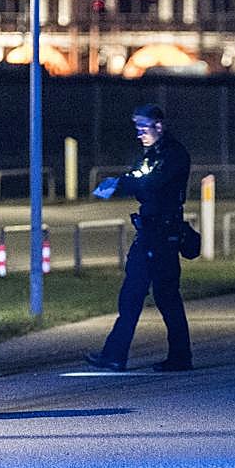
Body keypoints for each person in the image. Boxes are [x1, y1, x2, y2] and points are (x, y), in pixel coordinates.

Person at [86, 103, 193, 372]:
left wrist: (119, 186)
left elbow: (150, 183)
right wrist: (118, 182)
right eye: (137, 128)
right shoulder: (151, 154)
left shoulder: (173, 154)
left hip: (163, 234)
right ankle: (115, 355)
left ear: (159, 125)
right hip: (149, 232)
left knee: (164, 295)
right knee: (134, 294)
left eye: (143, 127)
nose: (139, 134)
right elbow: (136, 175)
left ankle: (178, 356)